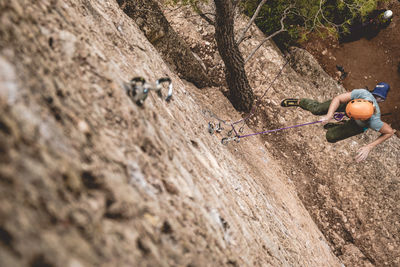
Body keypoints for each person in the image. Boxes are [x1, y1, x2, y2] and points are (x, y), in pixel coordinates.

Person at [280, 82, 395, 162]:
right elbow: (338, 99)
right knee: (317, 109)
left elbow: (389, 132)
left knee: (330, 136)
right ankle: (300, 102)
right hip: (347, 106)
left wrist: (369, 147)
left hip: (358, 125)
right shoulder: (362, 94)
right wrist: (329, 115)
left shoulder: (374, 120)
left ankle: (340, 124)